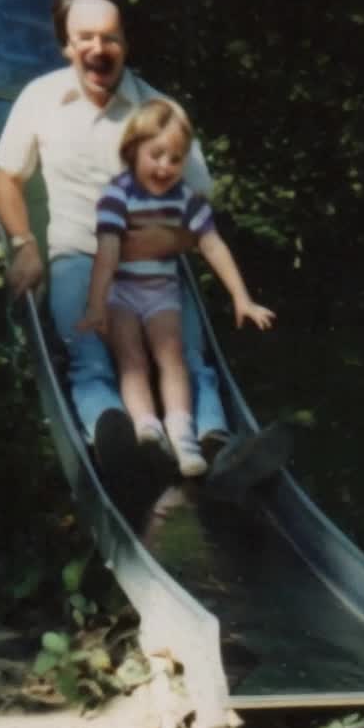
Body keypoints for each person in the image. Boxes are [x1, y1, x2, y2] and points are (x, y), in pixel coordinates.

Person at [0, 0, 288, 506]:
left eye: (109, 38)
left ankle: (219, 446)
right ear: (66, 44)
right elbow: (6, 177)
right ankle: (118, 442)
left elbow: (199, 204)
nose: (97, 50)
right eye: (85, 38)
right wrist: (24, 244)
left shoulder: (157, 111)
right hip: (78, 256)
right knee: (90, 357)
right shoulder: (40, 99)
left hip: (154, 266)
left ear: (126, 42)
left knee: (188, 358)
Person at [77, 98, 276, 478]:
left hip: (162, 292)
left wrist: (241, 297)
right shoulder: (117, 194)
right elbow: (107, 250)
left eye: (176, 158)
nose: (165, 166)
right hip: (121, 290)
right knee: (132, 359)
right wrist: (96, 304)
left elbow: (212, 244)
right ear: (133, 150)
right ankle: (148, 429)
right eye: (157, 155)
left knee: (172, 358)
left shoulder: (185, 199)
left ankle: (183, 436)